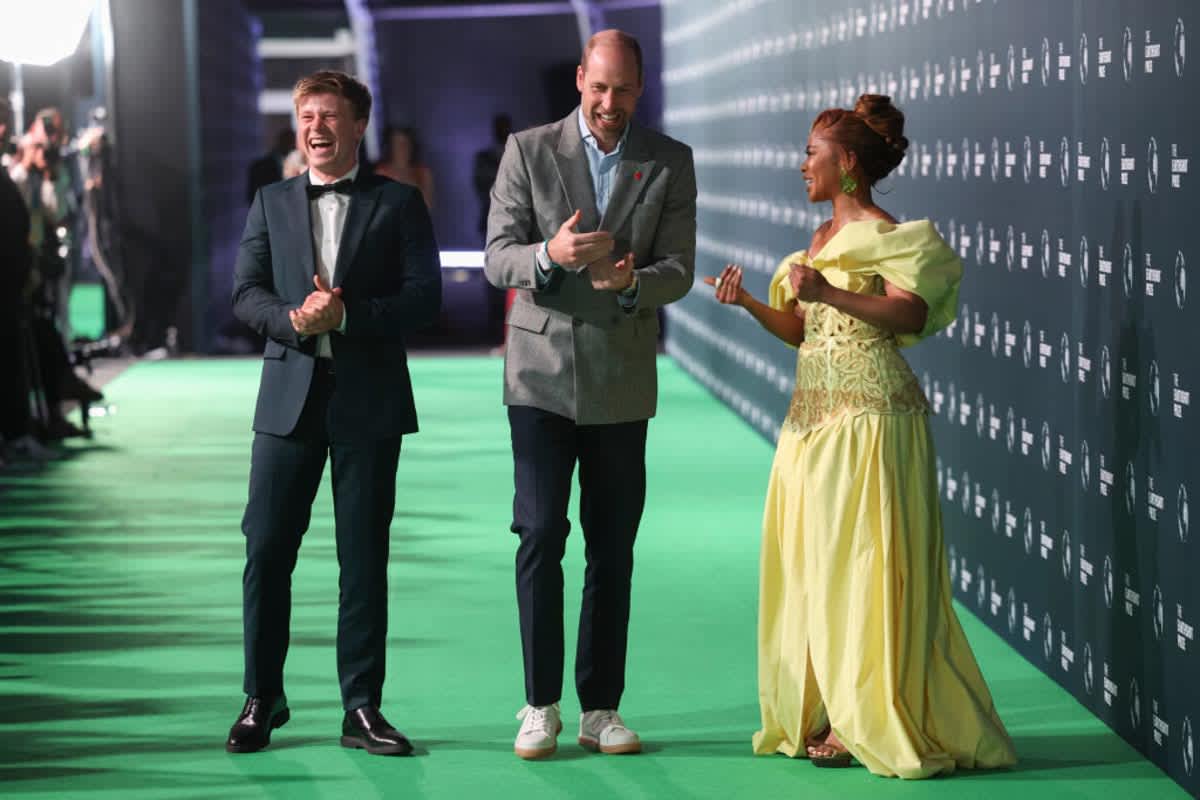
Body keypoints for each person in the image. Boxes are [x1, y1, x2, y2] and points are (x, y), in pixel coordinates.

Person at [704, 94, 1016, 778]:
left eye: (812, 155)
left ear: (847, 164)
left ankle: (862, 717)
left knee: (864, 569)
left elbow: (907, 309)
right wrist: (755, 303)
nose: (801, 166)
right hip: (811, 422)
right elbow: (801, 330)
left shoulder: (886, 233)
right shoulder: (813, 245)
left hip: (870, 421)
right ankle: (831, 702)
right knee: (815, 565)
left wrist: (832, 295)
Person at [484, 29, 696, 760]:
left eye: (624, 90)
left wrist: (632, 283)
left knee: (613, 548)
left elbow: (678, 270)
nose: (610, 103)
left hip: (621, 382)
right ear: (580, 80)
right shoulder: (528, 149)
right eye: (599, 88)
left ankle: (600, 708)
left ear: (641, 89)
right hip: (538, 377)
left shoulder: (670, 161)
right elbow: (495, 256)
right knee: (541, 534)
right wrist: (551, 255)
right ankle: (539, 703)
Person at [226, 70, 441, 756]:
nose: (315, 128)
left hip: (368, 402)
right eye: (306, 116)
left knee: (363, 559)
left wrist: (348, 315)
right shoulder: (271, 201)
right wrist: (294, 320)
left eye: (328, 116)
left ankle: (362, 707)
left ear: (357, 126)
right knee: (265, 549)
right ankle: (262, 696)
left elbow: (424, 299)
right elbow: (245, 293)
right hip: (287, 399)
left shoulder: (399, 204)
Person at [374, 126, 434, 210]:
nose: (402, 148)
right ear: (391, 147)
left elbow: (427, 207)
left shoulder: (423, 173)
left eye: (405, 143)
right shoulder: (381, 173)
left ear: (412, 145)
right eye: (397, 144)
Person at [246, 128, 295, 205]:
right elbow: (252, 198)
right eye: (290, 142)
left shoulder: (298, 166)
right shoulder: (259, 167)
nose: (292, 146)